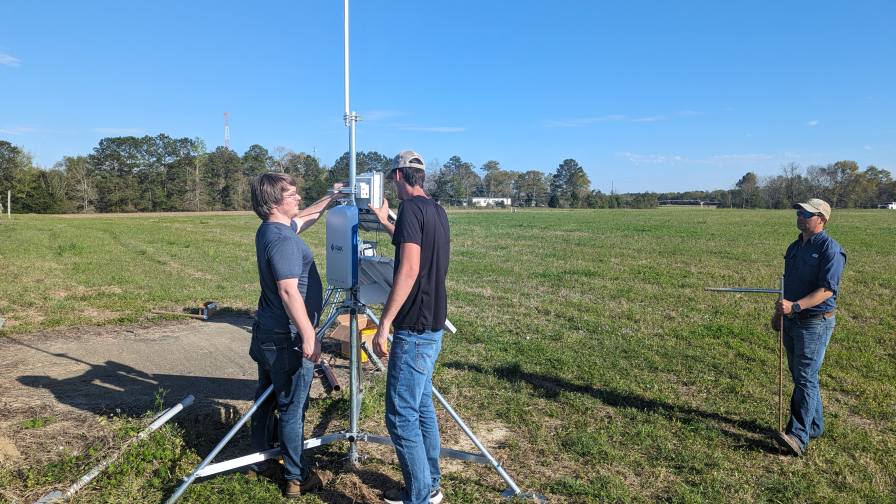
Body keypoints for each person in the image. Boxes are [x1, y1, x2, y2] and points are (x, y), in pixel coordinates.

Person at [248, 173, 341, 497]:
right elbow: (289, 291)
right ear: (275, 202)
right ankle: (296, 476)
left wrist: (331, 196)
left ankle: (259, 457)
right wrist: (309, 336)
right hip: (287, 339)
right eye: (292, 194)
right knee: (291, 407)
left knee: (266, 395)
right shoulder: (283, 241)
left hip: (267, 333)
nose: (298, 197)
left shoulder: (270, 229)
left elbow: (303, 219)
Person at [371, 150, 449, 504]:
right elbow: (408, 242)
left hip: (413, 326)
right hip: (433, 323)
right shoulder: (435, 210)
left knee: (400, 416)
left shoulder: (410, 210)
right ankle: (431, 485)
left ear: (399, 177)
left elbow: (409, 268)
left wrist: (384, 322)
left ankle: (418, 496)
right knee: (420, 408)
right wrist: (383, 217)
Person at [774, 198, 846, 456]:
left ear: (822, 219)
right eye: (799, 211)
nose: (801, 216)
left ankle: (798, 436)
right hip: (792, 320)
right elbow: (786, 286)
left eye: (808, 213)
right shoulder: (795, 247)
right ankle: (814, 426)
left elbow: (827, 290)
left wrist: (795, 307)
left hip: (815, 322)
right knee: (803, 377)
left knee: (804, 378)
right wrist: (779, 313)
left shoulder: (831, 250)